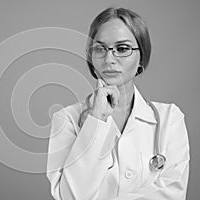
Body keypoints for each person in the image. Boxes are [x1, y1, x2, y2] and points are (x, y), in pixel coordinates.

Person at [46, 7, 190, 200]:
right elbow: (70, 196)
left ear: (141, 57)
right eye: (100, 49)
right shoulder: (66, 119)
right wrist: (97, 120)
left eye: (122, 49)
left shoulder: (169, 118)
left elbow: (173, 194)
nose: (109, 59)